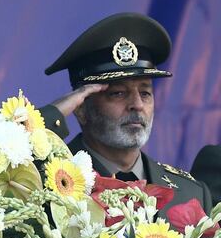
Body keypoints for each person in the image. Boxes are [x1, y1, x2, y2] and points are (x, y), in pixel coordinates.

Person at [40, 12, 212, 215]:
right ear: (80, 108)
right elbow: (0, 156)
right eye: (118, 93)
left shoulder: (191, 193)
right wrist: (55, 111)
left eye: (145, 92)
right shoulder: (44, 182)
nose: (137, 104)